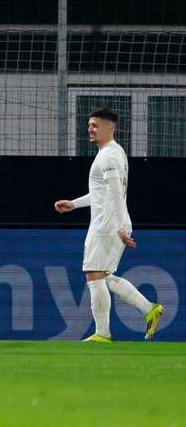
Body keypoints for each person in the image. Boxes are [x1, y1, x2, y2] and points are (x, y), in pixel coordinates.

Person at [54, 108, 164, 342]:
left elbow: (115, 193)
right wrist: (74, 204)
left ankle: (102, 333)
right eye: (89, 125)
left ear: (109, 128)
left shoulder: (107, 157)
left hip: (107, 224)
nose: (90, 129)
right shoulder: (115, 152)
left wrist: (120, 226)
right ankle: (149, 309)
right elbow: (102, 193)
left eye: (95, 125)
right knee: (102, 276)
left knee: (94, 275)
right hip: (111, 222)